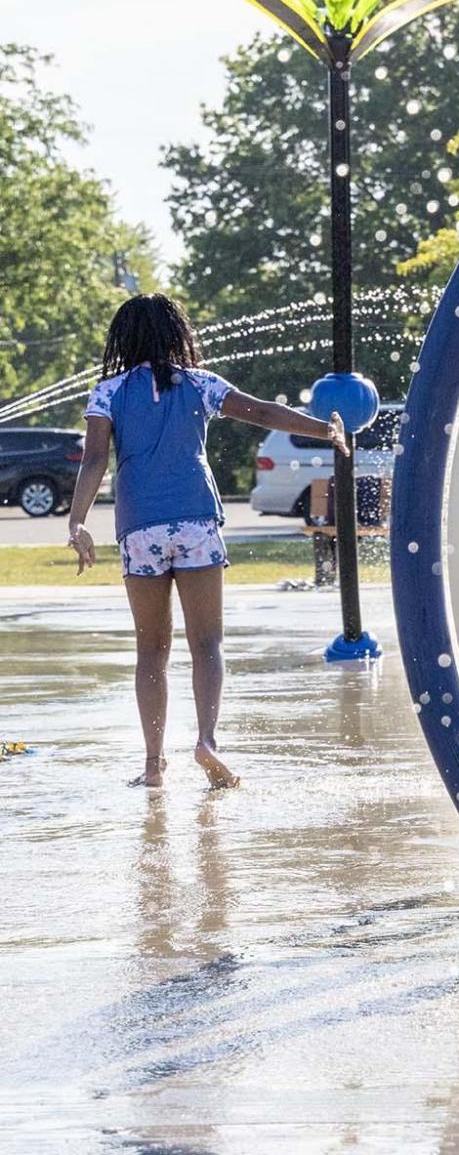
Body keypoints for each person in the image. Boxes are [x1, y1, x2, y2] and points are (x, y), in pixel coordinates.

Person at [66, 294, 348, 790]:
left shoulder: (106, 393)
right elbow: (263, 413)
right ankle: (207, 742)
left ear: (122, 339)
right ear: (178, 335)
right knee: (208, 644)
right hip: (196, 522)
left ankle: (153, 766)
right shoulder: (200, 384)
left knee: (151, 650)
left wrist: (77, 522)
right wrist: (325, 430)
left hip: (141, 529)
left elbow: (93, 461)